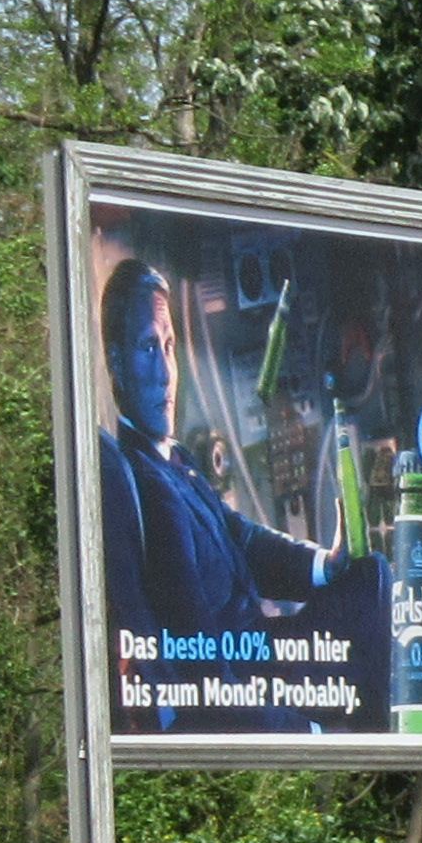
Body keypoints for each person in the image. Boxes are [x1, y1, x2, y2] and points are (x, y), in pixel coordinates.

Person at [98, 261, 326, 641]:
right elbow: (197, 647)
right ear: (117, 363)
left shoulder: (175, 458)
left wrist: (323, 565)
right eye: (148, 347)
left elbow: (242, 538)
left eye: (168, 347)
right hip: (253, 669)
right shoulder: (151, 490)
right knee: (373, 581)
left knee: (367, 574)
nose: (165, 373)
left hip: (267, 648)